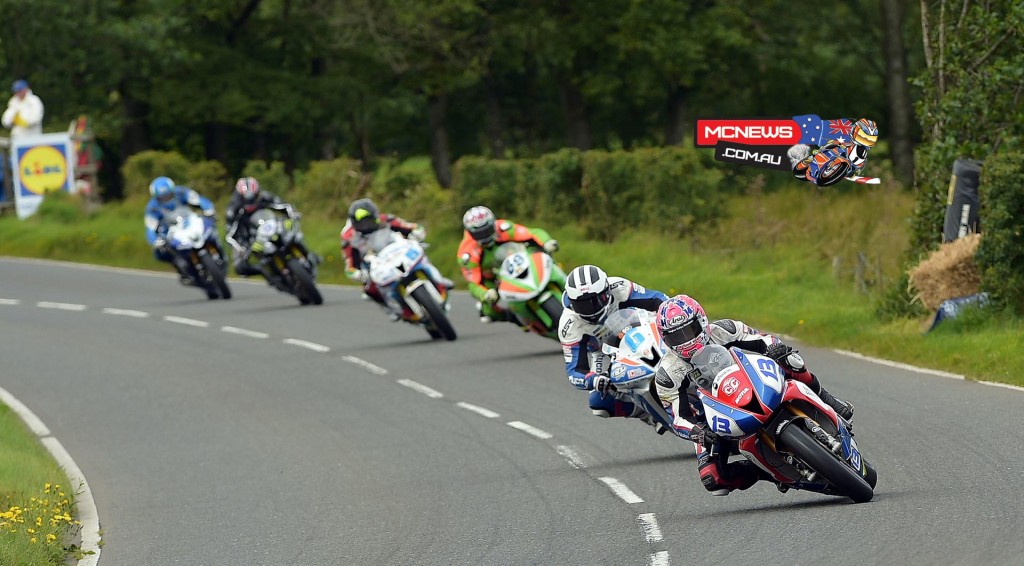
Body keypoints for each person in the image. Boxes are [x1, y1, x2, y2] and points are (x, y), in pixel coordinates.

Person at [653, 294, 855, 496]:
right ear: (665, 339)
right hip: (710, 416)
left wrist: (776, 348)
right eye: (676, 337)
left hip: (749, 380)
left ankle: (829, 400)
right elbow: (677, 417)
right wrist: (699, 432)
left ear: (701, 321)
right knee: (713, 480)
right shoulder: (668, 373)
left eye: (689, 331)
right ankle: (766, 471)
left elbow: (762, 338)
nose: (685, 340)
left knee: (790, 360)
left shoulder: (724, 330)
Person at [559, 264, 669, 425]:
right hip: (603, 352)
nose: (590, 309)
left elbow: (658, 299)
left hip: (639, 327)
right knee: (598, 401)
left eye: (596, 300)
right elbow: (574, 371)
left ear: (606, 291)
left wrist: (670, 317)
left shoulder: (619, 286)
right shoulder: (568, 325)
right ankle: (647, 412)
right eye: (583, 305)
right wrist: (594, 380)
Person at [341, 198, 447, 321]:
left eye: (368, 220)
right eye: (361, 223)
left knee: (421, 255)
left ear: (375, 216)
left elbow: (410, 226)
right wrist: (358, 273)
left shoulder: (386, 219)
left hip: (397, 250)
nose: (365, 225)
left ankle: (440, 280)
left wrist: (416, 233)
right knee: (369, 289)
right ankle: (391, 308)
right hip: (373, 263)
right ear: (354, 223)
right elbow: (349, 264)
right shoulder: (349, 237)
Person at [458, 206, 560, 323]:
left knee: (542, 255)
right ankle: (515, 318)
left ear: (493, 223)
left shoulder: (503, 228)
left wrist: (546, 242)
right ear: (470, 233)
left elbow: (533, 233)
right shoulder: (466, 254)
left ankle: (563, 281)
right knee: (489, 313)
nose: (485, 236)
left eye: (487, 229)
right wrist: (484, 294)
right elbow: (473, 284)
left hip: (520, 260)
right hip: (494, 277)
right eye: (479, 233)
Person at [224, 176, 307, 280]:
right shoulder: (232, 210)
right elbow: (230, 233)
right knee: (240, 267)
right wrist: (239, 247)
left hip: (270, 226)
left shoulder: (265, 196)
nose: (251, 203)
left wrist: (292, 213)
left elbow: (283, 205)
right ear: (239, 196)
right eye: (246, 199)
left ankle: (306, 256)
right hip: (249, 238)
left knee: (293, 234)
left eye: (253, 198)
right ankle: (266, 273)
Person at [144, 176, 218, 284]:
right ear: (156, 197)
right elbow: (150, 228)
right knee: (164, 252)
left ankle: (217, 250)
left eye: (168, 195)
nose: (166, 198)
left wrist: (209, 210)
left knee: (211, 229)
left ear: (172, 190)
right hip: (173, 230)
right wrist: (156, 241)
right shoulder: (152, 208)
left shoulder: (182, 192)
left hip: (191, 220)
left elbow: (199, 200)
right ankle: (183, 270)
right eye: (162, 197)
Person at [791, 118, 878, 183]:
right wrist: (838, 144)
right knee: (834, 143)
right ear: (855, 131)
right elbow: (838, 142)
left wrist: (857, 172)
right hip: (834, 153)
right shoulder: (847, 141)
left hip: (842, 166)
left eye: (870, 140)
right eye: (863, 137)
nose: (865, 141)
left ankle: (833, 169)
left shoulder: (863, 156)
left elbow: (861, 165)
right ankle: (816, 156)